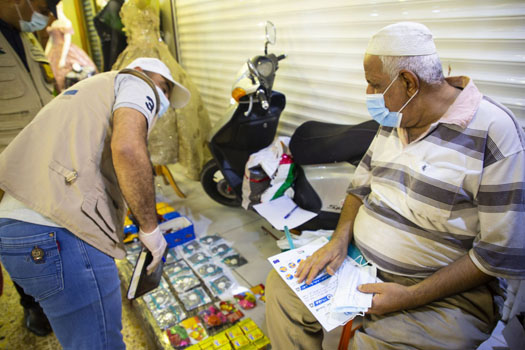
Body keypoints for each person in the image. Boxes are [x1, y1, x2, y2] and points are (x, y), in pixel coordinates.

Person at [265, 22, 525, 350]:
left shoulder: (496, 133)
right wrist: (337, 241)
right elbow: (359, 188)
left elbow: (499, 255)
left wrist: (410, 297)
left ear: (408, 82)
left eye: (374, 84)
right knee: (283, 289)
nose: (369, 95)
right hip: (362, 267)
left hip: (445, 295)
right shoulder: (397, 118)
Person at [0, 56, 190, 350]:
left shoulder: (81, 94)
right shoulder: (136, 81)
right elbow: (127, 147)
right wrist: (150, 229)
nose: (162, 98)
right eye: (163, 87)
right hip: (61, 234)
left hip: (16, 232)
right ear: (140, 72)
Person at [0, 0, 59, 337]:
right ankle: (31, 304)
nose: (49, 14)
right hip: (5, 172)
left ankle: (52, 292)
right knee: (15, 240)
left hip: (41, 159)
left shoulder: (26, 36)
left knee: (45, 231)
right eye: (45, 3)